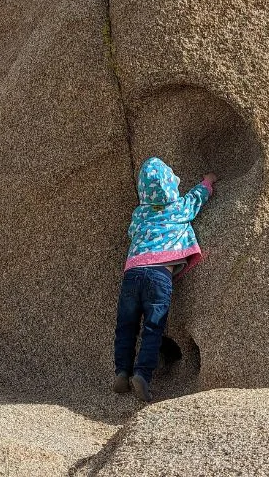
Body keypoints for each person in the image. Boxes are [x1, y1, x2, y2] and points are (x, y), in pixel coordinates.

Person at [113, 157, 217, 402]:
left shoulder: (139, 214)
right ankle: (142, 375)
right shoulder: (178, 207)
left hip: (133, 273)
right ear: (172, 185)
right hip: (159, 275)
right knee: (153, 327)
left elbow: (132, 232)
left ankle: (121, 370)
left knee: (126, 325)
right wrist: (208, 181)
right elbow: (197, 198)